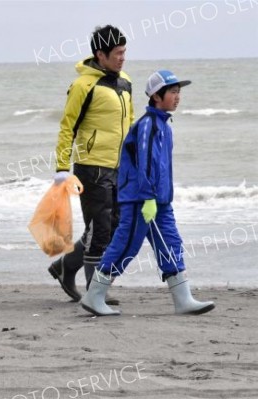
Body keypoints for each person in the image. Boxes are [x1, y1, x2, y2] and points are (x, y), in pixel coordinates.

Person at [81, 70, 215, 316]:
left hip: (160, 201)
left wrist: (160, 198)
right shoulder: (147, 126)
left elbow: (162, 167)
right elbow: (146, 165)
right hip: (140, 200)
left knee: (171, 244)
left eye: (178, 92)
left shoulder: (164, 125)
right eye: (173, 92)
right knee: (127, 245)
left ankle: (183, 299)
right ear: (156, 96)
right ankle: (94, 295)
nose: (178, 97)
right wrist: (149, 197)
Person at [48, 25, 134, 303]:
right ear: (101, 54)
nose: (122, 57)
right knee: (100, 231)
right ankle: (95, 292)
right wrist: (62, 168)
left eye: (124, 52)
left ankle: (65, 267)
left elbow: (129, 124)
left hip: (118, 167)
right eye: (118, 53)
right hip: (91, 167)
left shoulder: (125, 82)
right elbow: (67, 127)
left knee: (112, 225)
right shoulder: (83, 85)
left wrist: (135, 160)